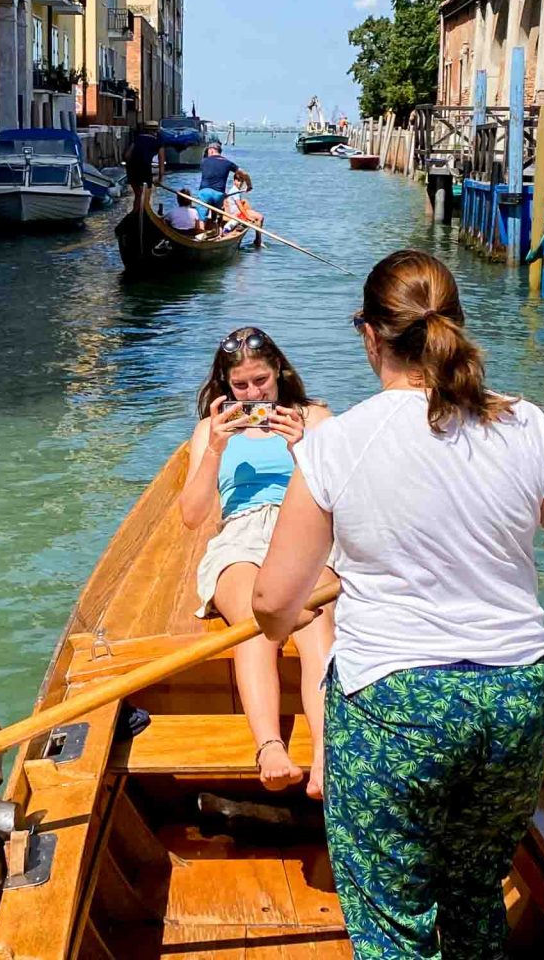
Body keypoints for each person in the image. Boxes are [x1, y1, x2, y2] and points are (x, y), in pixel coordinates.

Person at [250, 250, 544, 958]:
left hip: (394, 704)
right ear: (455, 327)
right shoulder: (526, 427)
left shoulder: (337, 445)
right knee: (473, 897)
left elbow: (273, 604)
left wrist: (296, 613)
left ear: (368, 334)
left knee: (393, 924)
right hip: (513, 700)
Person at [179, 327, 339, 796]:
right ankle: (270, 745)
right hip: (241, 534)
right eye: (241, 386)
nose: (253, 394)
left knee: (315, 620)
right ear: (226, 385)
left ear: (279, 373)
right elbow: (191, 516)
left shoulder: (316, 417)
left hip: (304, 527)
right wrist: (215, 449)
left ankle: (325, 756)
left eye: (261, 381)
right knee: (253, 618)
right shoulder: (212, 430)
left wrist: (301, 448)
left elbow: (343, 495)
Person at [196, 142, 249, 232]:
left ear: (211, 151)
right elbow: (244, 173)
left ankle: (201, 232)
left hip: (204, 192)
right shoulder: (228, 163)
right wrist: (249, 185)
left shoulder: (204, 161)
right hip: (219, 194)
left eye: (208, 151)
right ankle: (217, 231)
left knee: (201, 217)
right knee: (217, 214)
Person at [123, 122, 162, 214]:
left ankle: (135, 215)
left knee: (138, 195)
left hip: (131, 169)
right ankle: (143, 214)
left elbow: (127, 156)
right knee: (146, 197)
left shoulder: (137, 139)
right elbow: (161, 162)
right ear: (156, 130)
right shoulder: (158, 141)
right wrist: (160, 179)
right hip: (145, 169)